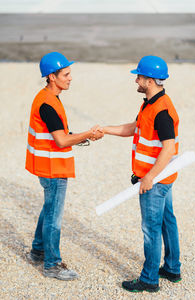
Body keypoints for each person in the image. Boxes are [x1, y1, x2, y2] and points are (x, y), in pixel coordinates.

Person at [98, 55, 181, 293]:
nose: (136, 80)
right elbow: (133, 128)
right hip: (163, 178)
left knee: (151, 229)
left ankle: (149, 279)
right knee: (167, 222)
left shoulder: (161, 110)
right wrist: (105, 129)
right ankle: (172, 268)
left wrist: (149, 177)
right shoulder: (149, 103)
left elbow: (168, 148)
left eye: (140, 76)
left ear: (151, 80)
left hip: (154, 180)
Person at [25, 52, 103, 280]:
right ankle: (52, 265)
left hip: (46, 165)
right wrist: (88, 133)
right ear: (51, 77)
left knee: (48, 209)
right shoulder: (48, 104)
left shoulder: (46, 97)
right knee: (53, 217)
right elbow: (60, 140)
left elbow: (59, 134)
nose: (70, 78)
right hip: (52, 168)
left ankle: (37, 252)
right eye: (66, 74)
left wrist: (82, 137)